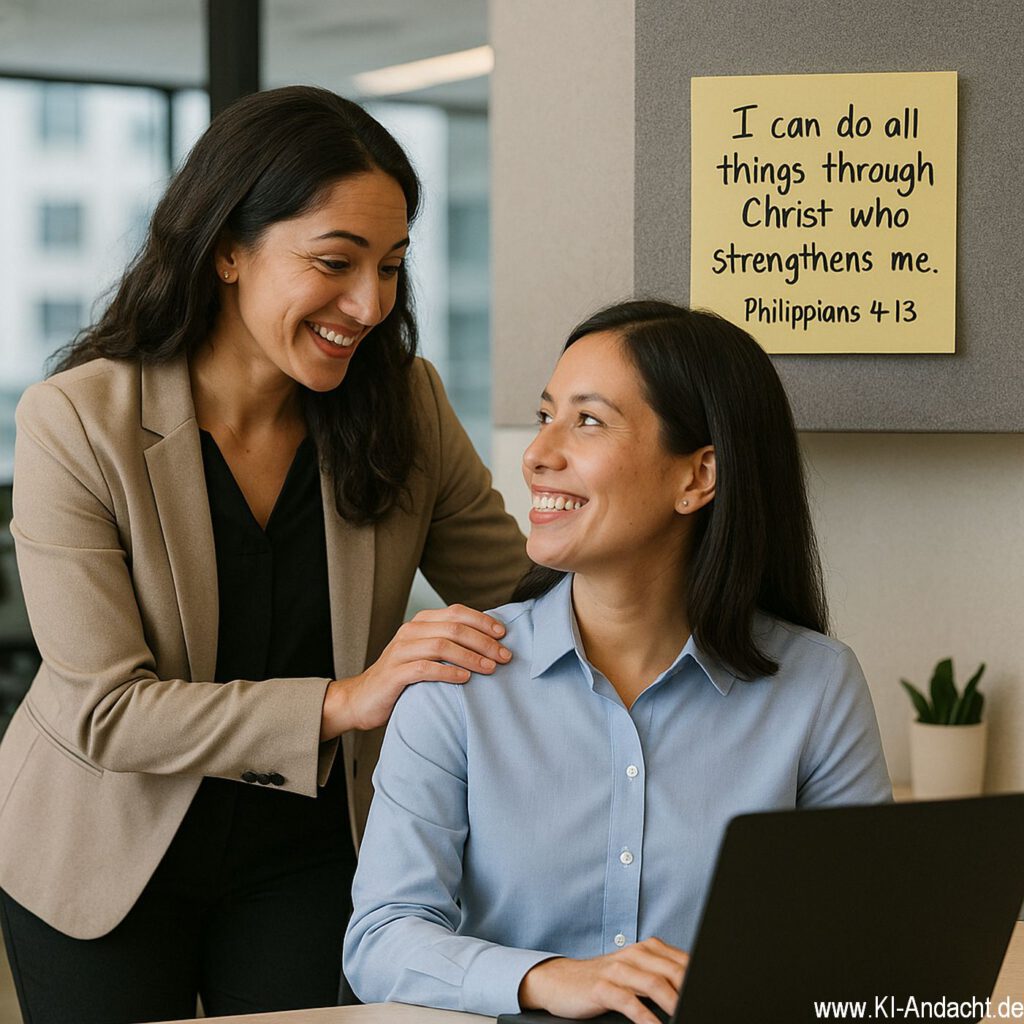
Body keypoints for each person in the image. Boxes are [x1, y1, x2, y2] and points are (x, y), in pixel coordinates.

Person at [0, 85, 529, 1023]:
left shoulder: (403, 403)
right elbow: (107, 713)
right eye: (336, 262)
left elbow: (521, 598)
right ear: (228, 250)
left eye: (393, 266)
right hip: (100, 849)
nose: (370, 304)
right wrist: (347, 701)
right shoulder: (76, 421)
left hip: (312, 847)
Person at [344, 300, 893, 1022]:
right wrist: (550, 978)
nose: (539, 453)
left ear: (697, 478)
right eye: (545, 416)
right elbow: (381, 940)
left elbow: (870, 946)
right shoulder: (459, 679)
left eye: (589, 420)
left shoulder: (816, 684)